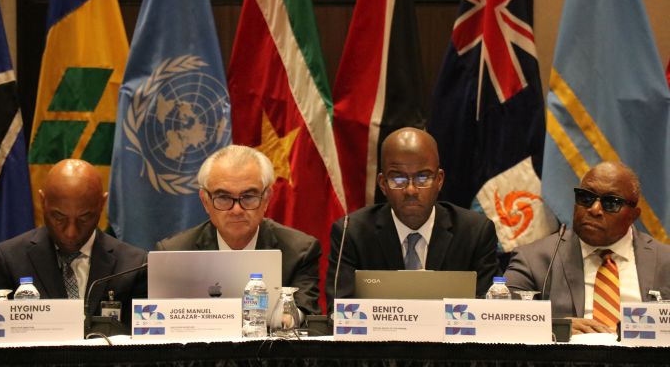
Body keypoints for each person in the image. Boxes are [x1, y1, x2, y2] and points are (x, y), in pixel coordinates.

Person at [326, 127, 499, 309]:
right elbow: (338, 311)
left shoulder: (474, 232)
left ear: (439, 180)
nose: (411, 190)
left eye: (423, 178)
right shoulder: (352, 233)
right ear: (383, 184)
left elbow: (489, 310)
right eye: (398, 179)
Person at [504, 161, 670, 335]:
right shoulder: (533, 259)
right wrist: (555, 328)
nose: (594, 209)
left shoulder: (665, 261)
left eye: (611, 203)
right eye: (586, 198)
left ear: (633, 215)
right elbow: (502, 321)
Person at [156, 145, 322, 315]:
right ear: (205, 201)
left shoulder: (299, 252)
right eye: (223, 197)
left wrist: (288, 317)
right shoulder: (173, 254)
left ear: (266, 199)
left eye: (248, 197)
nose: (236, 210)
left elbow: (306, 312)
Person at [0, 159, 147, 328]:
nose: (71, 233)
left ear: (102, 204)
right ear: (42, 201)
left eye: (84, 218)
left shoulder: (135, 265)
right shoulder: (10, 260)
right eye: (59, 217)